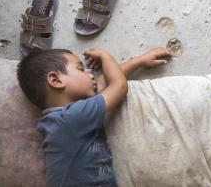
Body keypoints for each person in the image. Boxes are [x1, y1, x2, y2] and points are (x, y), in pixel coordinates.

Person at [17, 47, 172, 187]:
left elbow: (104, 83)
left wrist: (139, 61)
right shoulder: (72, 117)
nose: (90, 73)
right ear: (56, 80)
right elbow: (118, 86)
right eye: (80, 69)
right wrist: (105, 56)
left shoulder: (58, 120)